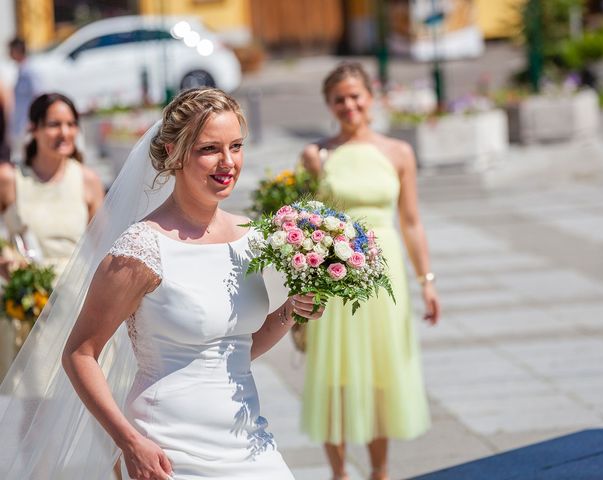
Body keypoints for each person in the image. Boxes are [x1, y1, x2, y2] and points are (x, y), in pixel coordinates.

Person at [0, 87, 324, 479]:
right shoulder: (140, 249)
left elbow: (237, 347)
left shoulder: (252, 236)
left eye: (236, 146)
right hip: (168, 451)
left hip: (250, 442)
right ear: (173, 152)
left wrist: (292, 308)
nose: (228, 162)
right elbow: (79, 353)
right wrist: (128, 441)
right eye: (209, 149)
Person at [299, 62, 441, 480]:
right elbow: (303, 223)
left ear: (371, 97)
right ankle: (339, 474)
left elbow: (411, 222)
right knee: (333, 372)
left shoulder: (399, 152)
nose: (349, 105)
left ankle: (380, 472)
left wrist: (427, 282)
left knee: (381, 370)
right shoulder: (316, 155)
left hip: (384, 274)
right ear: (329, 103)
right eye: (339, 98)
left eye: (355, 95)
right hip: (333, 274)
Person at [0, 92, 104, 381]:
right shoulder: (9, 178)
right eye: (54, 124)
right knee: (30, 406)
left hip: (74, 307)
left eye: (71, 124)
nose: (65, 132)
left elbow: (107, 247)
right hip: (27, 309)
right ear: (33, 128)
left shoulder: (87, 180)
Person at [8, 37, 41, 156]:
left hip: (28, 123)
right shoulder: (21, 70)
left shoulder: (30, 71)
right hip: (21, 123)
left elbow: (38, 95)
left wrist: (34, 119)